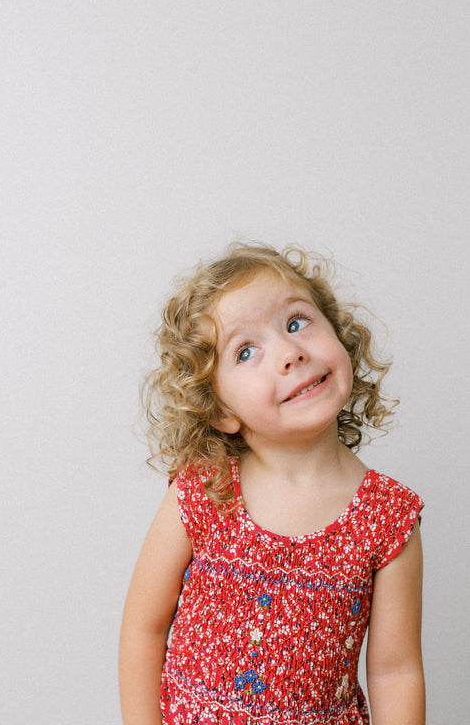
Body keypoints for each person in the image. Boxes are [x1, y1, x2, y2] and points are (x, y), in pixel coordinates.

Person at [119, 243, 425, 725]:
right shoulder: (204, 489)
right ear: (220, 411)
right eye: (246, 351)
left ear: (339, 333)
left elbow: (395, 671)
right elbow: (144, 628)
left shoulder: (387, 518)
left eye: (297, 322)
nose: (289, 352)